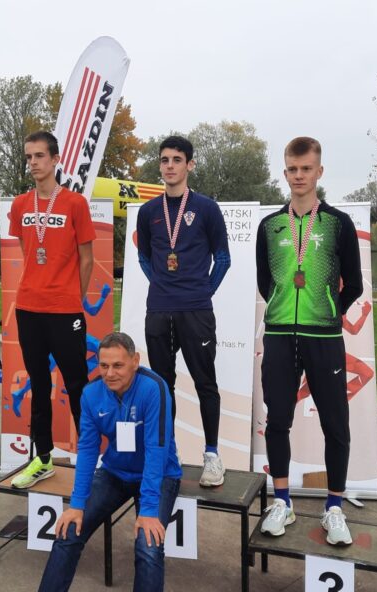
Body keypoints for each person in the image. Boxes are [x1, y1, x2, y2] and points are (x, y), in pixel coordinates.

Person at [256, 136, 362, 545]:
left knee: (335, 424)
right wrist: (283, 308)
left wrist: (329, 310)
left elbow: (353, 283)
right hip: (280, 336)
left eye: (306, 169)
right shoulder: (270, 226)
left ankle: (334, 507)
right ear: (285, 172)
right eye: (292, 169)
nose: (298, 176)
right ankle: (282, 501)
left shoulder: (338, 223)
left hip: (324, 337)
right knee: (277, 421)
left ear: (319, 171)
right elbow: (266, 282)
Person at [38, 332, 181, 592]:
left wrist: (149, 510)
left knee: (148, 546)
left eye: (118, 365)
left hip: (159, 475)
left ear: (135, 361)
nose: (110, 373)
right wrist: (77, 504)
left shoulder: (153, 388)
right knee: (68, 532)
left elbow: (156, 450)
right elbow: (87, 450)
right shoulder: (91, 394)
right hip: (115, 473)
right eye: (104, 365)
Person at [135, 135, 231, 487]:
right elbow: (144, 258)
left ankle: (212, 456)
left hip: (196, 311)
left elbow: (223, 259)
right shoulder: (148, 212)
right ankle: (167, 455)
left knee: (206, 383)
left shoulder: (206, 208)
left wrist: (202, 290)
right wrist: (163, 284)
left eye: (177, 159)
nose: (170, 166)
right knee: (162, 386)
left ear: (190, 164)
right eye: (164, 160)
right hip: (159, 310)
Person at [8, 130, 95, 489]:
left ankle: (89, 462)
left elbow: (87, 258)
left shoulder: (75, 203)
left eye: (39, 156)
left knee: (77, 386)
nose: (33, 163)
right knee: (39, 385)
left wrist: (73, 297)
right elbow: (28, 252)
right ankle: (42, 458)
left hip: (65, 311)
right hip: (29, 308)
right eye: (28, 157)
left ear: (56, 159)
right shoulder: (20, 205)